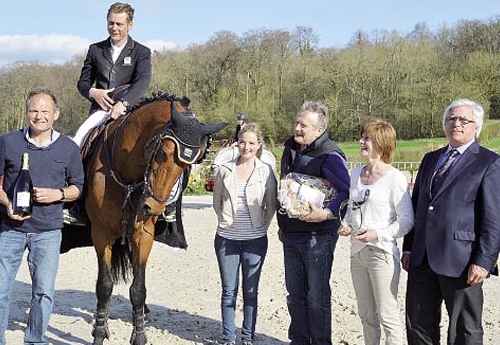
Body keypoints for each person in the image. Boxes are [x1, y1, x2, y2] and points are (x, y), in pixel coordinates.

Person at [402, 99, 500, 345]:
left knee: (464, 329)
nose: (456, 123)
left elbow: (493, 217)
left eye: (463, 120)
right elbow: (418, 207)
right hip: (422, 257)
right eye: (451, 119)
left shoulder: (488, 162)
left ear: (476, 126)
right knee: (418, 325)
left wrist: (484, 261)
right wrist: (409, 247)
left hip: (462, 260)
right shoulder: (430, 159)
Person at [0, 88, 85, 345]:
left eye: (45, 111)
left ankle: (35, 341)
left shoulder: (69, 148)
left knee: (44, 293)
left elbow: (78, 188)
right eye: (34, 110)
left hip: (48, 232)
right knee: (0, 290)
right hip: (9, 229)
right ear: (27, 113)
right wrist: (6, 203)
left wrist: (57, 194)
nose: (39, 116)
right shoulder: (8, 142)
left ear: (55, 114)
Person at [277, 100, 350, 345]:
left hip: (318, 235)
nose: (297, 128)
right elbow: (285, 188)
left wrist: (328, 213)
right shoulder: (290, 148)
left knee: (316, 296)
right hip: (291, 234)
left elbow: (347, 192)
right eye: (297, 122)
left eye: (303, 125)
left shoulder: (330, 155)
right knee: (295, 295)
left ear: (318, 131)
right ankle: (298, 340)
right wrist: (281, 224)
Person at [338, 119, 414, 345]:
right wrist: (346, 224)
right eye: (362, 137)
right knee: (366, 316)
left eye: (366, 138)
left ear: (381, 143)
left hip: (381, 253)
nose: (361, 141)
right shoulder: (354, 174)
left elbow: (408, 220)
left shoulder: (396, 179)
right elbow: (353, 212)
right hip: (357, 253)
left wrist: (378, 234)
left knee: (388, 316)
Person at [212, 123, 277, 345]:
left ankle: (248, 337)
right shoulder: (225, 169)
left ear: (258, 145)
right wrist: (226, 222)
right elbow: (217, 202)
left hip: (255, 240)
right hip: (226, 239)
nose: (246, 147)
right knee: (229, 290)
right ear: (236, 143)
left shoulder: (266, 171)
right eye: (242, 142)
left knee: (251, 291)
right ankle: (228, 337)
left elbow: (271, 204)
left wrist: (260, 226)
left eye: (251, 143)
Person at [73, 1, 152, 147]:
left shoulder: (142, 52)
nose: (114, 28)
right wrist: (93, 92)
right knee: (77, 142)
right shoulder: (95, 50)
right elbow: (82, 83)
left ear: (130, 25)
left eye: (119, 24)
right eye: (111, 23)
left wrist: (124, 103)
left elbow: (143, 81)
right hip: (100, 112)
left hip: (130, 111)